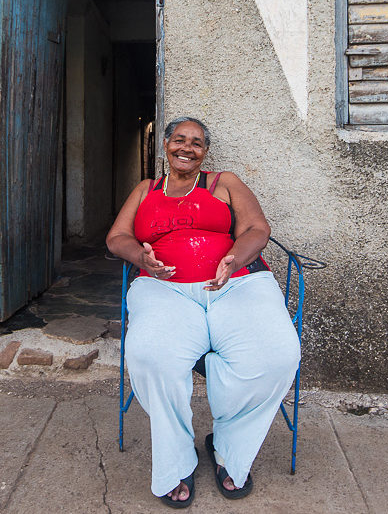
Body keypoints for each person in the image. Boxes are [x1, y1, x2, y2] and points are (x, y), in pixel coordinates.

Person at [106, 117, 301, 508]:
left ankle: (229, 448)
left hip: (237, 285)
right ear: (165, 145)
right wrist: (140, 256)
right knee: (150, 356)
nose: (187, 147)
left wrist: (233, 258)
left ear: (205, 152)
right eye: (179, 139)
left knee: (278, 356)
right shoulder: (146, 189)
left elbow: (257, 229)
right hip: (164, 289)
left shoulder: (223, 183)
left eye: (196, 142)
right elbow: (117, 237)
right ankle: (176, 461)